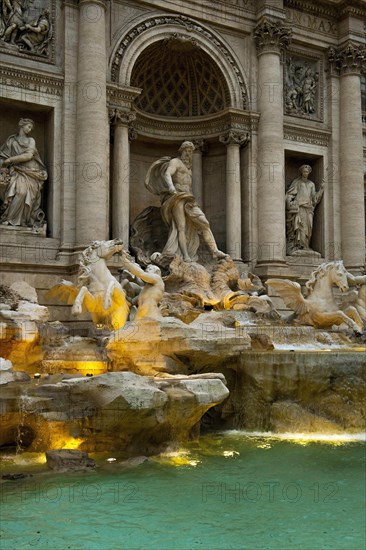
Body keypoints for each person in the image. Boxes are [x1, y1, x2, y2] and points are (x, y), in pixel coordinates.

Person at [145, 141, 227, 262]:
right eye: (187, 151)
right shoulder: (175, 162)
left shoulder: (189, 169)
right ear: (182, 150)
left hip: (189, 199)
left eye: (190, 152)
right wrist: (171, 186)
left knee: (204, 222)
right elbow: (167, 174)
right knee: (181, 227)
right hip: (177, 196)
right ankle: (185, 256)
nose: (189, 154)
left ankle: (214, 251)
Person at [0, 118, 47, 227]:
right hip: (16, 171)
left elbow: (28, 156)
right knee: (16, 191)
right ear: (22, 125)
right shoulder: (11, 141)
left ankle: (16, 220)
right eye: (28, 126)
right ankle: (9, 219)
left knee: (22, 193)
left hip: (31, 173)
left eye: (31, 128)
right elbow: (3, 156)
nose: (30, 129)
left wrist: (11, 160)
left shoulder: (31, 140)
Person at [285, 164, 325, 255]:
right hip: (300, 208)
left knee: (309, 229)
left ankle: (306, 246)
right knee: (301, 227)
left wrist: (322, 189)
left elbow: (314, 198)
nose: (305, 173)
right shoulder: (297, 182)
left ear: (309, 173)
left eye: (307, 172)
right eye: (304, 171)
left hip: (309, 209)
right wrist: (289, 202)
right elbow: (290, 194)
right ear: (301, 172)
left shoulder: (311, 184)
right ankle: (299, 246)